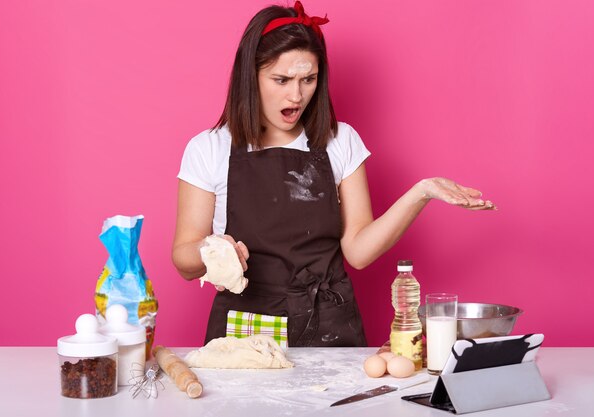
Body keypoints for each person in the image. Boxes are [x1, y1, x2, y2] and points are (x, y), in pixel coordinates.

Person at [172, 1, 495, 347]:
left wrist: (422, 192)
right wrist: (212, 249)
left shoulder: (341, 141)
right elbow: (183, 260)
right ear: (250, 75)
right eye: (281, 79)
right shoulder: (209, 148)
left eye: (308, 79)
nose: (296, 95)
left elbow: (358, 251)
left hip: (329, 324)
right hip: (245, 328)